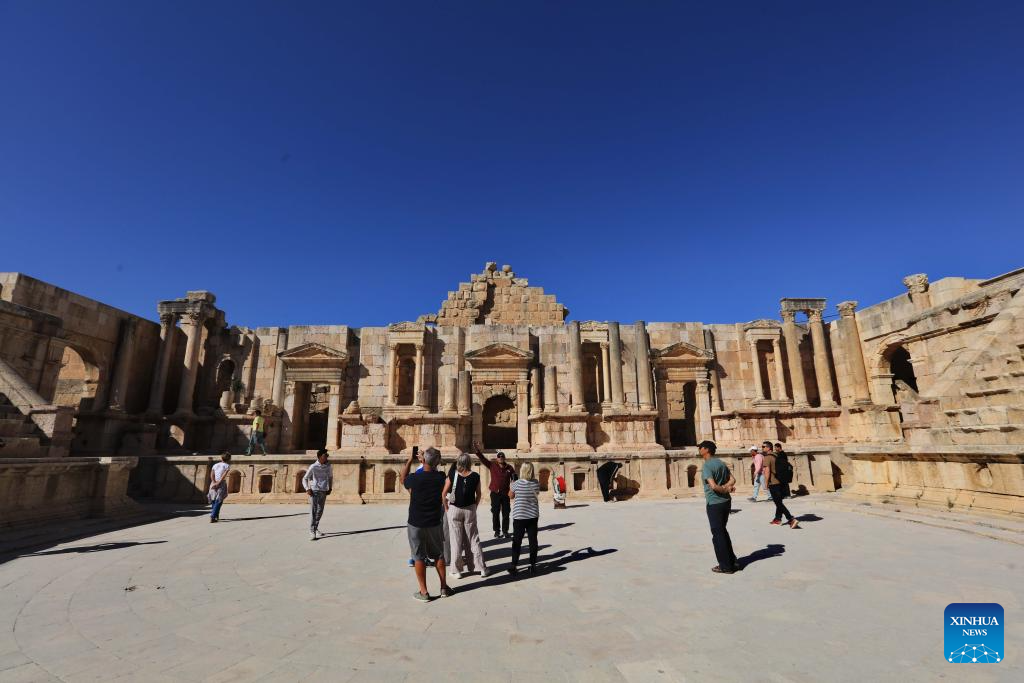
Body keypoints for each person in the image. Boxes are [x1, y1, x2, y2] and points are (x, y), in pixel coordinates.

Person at [402, 446, 453, 601]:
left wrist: (410, 460)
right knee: (438, 554)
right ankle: (444, 587)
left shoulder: (415, 479)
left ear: (423, 460)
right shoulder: (440, 477)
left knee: (418, 557)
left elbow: (403, 479)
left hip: (416, 522)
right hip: (434, 522)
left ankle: (424, 592)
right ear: (437, 463)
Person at [442, 453, 489, 578]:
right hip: (470, 509)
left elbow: (444, 493)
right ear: (469, 462)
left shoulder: (452, 474)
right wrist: (475, 506)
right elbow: (478, 494)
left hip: (455, 509)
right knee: (473, 538)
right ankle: (481, 568)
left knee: (455, 540)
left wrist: (446, 507)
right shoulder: (475, 476)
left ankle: (456, 570)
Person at [699, 440, 738, 574]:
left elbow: (713, 486)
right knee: (723, 531)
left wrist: (723, 489)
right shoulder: (720, 463)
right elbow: (733, 479)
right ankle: (732, 560)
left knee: (717, 535)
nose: (699, 449)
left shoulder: (707, 466)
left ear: (706, 450)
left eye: (701, 447)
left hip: (714, 503)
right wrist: (728, 487)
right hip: (726, 502)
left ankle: (726, 566)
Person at [474, 443, 516, 538]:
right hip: (495, 493)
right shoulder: (492, 465)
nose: (501, 457)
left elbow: (514, 479)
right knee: (495, 512)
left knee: (506, 512)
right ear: (497, 458)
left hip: (505, 493)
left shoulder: (509, 468)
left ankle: (505, 531)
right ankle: (497, 531)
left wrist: (513, 489)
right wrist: (477, 451)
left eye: (502, 456)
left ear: (504, 458)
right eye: (499, 456)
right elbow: (483, 459)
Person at [508, 462, 541, 576]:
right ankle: (532, 565)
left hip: (519, 516)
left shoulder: (516, 483)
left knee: (517, 541)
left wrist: (511, 484)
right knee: (533, 541)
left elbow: (511, 496)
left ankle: (514, 565)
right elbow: (536, 493)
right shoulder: (536, 483)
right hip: (532, 515)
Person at [764, 447, 800, 528]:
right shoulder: (777, 455)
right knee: (779, 501)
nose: (762, 448)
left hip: (773, 482)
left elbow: (767, 470)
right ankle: (777, 519)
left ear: (768, 448)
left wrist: (766, 483)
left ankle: (791, 519)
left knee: (778, 503)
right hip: (782, 481)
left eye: (763, 447)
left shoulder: (767, 457)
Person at [302, 449, 333, 540]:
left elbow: (330, 477)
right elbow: (304, 478)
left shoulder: (328, 466)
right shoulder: (313, 466)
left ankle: (315, 528)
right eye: (324, 456)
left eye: (327, 456)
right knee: (313, 511)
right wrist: (307, 488)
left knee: (320, 511)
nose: (326, 457)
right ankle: (312, 531)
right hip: (314, 490)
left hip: (323, 490)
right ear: (319, 457)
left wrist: (330, 487)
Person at [208, 452, 231, 522]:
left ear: (221, 458)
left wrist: (214, 482)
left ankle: (216, 516)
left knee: (213, 499)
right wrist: (218, 482)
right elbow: (224, 475)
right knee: (219, 500)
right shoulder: (227, 465)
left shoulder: (215, 465)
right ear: (229, 459)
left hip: (213, 482)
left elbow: (211, 474)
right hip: (221, 483)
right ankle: (213, 515)